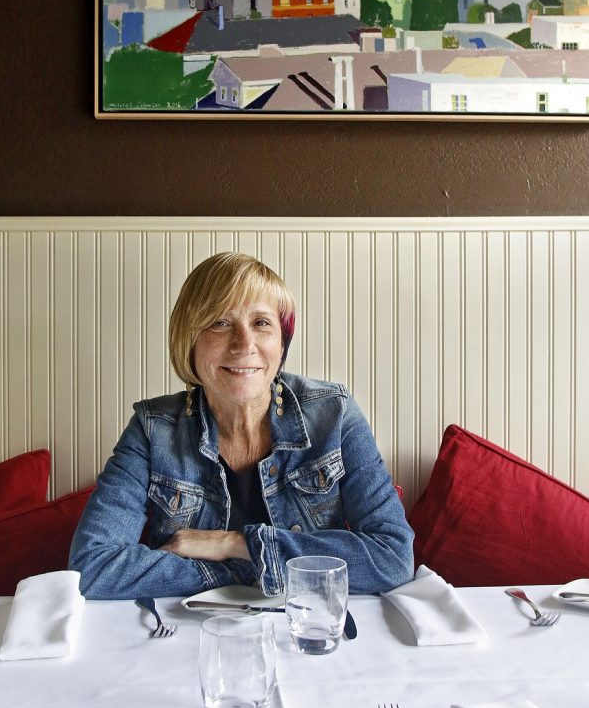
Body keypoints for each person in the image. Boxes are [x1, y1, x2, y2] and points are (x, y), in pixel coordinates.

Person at [69, 252, 413, 598]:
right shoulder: (152, 429)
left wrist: (232, 544)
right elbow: (92, 567)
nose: (244, 344)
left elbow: (393, 557)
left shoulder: (333, 414)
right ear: (189, 340)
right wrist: (250, 569)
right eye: (220, 322)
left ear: (282, 343)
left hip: (306, 626)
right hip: (189, 635)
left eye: (262, 323)